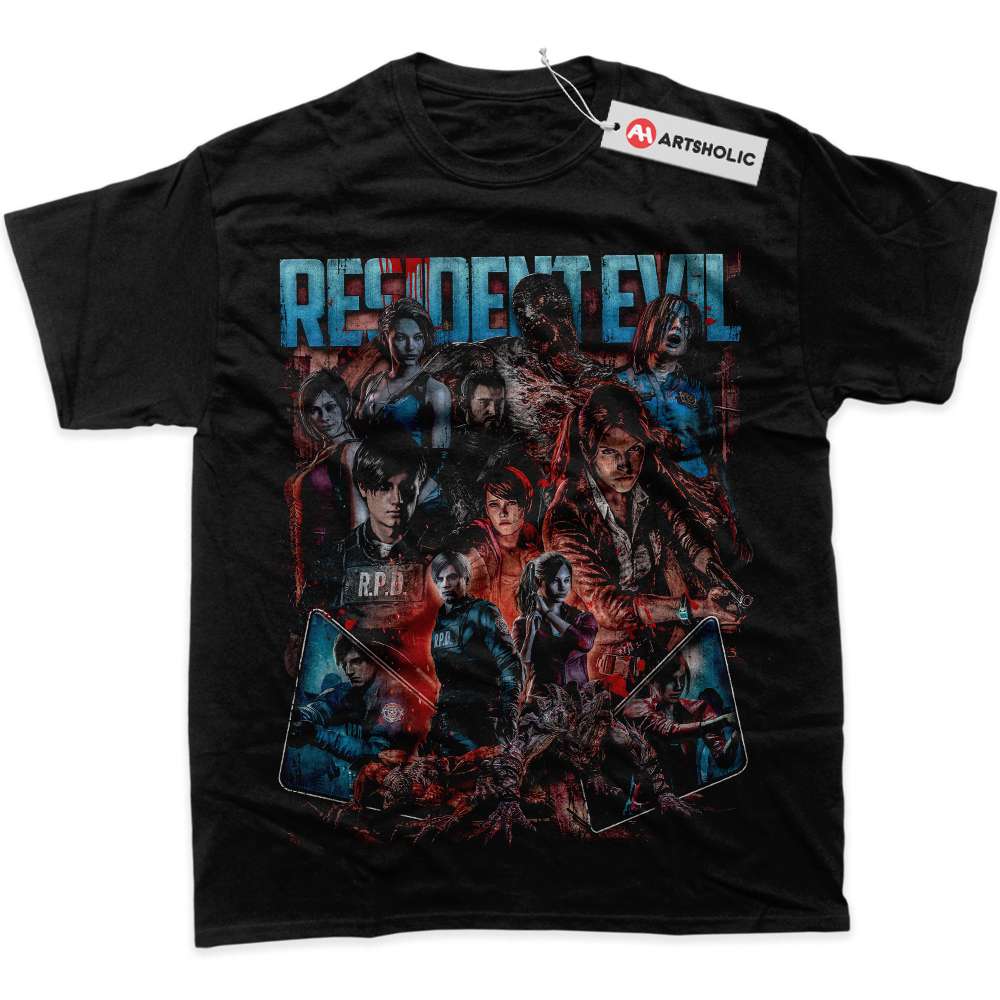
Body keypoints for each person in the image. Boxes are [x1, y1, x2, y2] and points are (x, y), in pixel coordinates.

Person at [541, 381, 740, 695]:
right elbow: (605, 607)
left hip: (658, 651)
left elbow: (686, 530)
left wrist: (717, 576)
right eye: (610, 452)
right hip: (597, 666)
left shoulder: (647, 481)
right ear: (589, 452)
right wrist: (697, 608)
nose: (625, 465)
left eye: (633, 449)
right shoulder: (566, 515)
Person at [617, 294, 751, 563]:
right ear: (649, 326)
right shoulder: (620, 383)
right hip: (640, 502)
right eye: (669, 319)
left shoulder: (697, 391)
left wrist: (733, 516)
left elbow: (713, 458)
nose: (678, 326)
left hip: (695, 501)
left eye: (686, 323)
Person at [302, 434, 437, 690]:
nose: (397, 500)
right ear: (364, 488)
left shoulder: (435, 558)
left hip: (417, 689)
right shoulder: (337, 557)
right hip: (356, 688)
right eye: (385, 487)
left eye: (406, 488)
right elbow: (309, 636)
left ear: (418, 488)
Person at [281, 630, 428, 800]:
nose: (349, 670)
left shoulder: (394, 700)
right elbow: (323, 706)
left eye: (356, 661)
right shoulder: (352, 689)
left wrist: (316, 734)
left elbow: (377, 753)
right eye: (345, 664)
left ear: (375, 658)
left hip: (397, 787)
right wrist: (301, 714)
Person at [352, 297, 452, 514]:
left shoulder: (435, 391)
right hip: (377, 495)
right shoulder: (371, 383)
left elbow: (440, 462)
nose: (411, 346)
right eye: (400, 338)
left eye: (417, 338)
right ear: (385, 338)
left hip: (419, 502)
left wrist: (410, 505)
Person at [425, 550, 522, 754]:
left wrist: (510, 710)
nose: (445, 584)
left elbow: (510, 662)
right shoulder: (440, 622)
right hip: (449, 723)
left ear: (466, 579)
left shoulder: (483, 612)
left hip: (482, 721)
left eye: (452, 577)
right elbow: (447, 680)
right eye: (440, 579)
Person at [285, 368, 360, 602]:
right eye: (314, 410)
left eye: (330, 407)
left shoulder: (351, 450)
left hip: (335, 568)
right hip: (312, 563)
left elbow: (359, 520)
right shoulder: (325, 453)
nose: (323, 417)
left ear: (344, 405)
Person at [621, 653, 741, 797]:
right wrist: (722, 721)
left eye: (682, 678)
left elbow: (723, 759)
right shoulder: (635, 708)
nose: (679, 686)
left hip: (689, 799)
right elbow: (669, 732)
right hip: (648, 800)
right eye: (671, 680)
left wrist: (736, 736)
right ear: (652, 679)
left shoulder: (698, 708)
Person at [441, 369, 541, 525]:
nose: (493, 410)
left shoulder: (518, 448)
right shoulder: (446, 442)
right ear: (464, 402)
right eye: (484, 402)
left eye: (499, 403)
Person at [450, 465, 541, 627]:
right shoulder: (478, 543)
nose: (503, 512)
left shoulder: (537, 546)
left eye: (510, 503)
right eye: (494, 504)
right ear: (486, 508)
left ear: (525, 506)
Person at [512, 553, 597, 690]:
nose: (563, 587)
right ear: (538, 582)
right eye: (555, 581)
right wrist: (530, 636)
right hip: (542, 699)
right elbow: (518, 673)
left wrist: (548, 614)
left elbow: (585, 644)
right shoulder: (522, 623)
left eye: (566, 580)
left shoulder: (582, 618)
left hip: (579, 698)